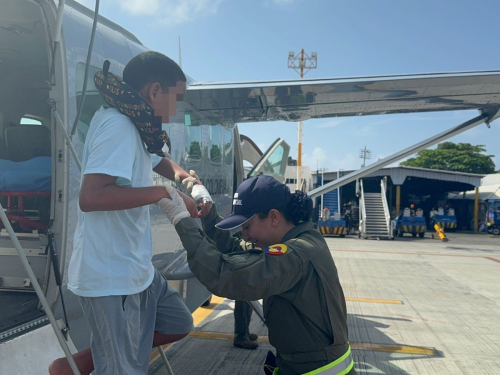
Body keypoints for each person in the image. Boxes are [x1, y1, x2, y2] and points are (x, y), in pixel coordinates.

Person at [48, 52, 208, 375]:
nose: (175, 111)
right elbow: (90, 196)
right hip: (112, 277)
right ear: (154, 92)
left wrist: (188, 183)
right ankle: (107, 358)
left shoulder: (134, 124)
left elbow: (160, 160)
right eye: (174, 99)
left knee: (179, 320)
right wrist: (165, 194)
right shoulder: (118, 126)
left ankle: (80, 364)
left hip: (135, 270)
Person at [157, 175, 355, 375]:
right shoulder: (296, 241)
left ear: (274, 217)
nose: (244, 234)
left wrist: (182, 220)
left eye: (246, 226)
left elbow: (229, 276)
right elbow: (237, 249)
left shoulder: (295, 255)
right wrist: (208, 215)